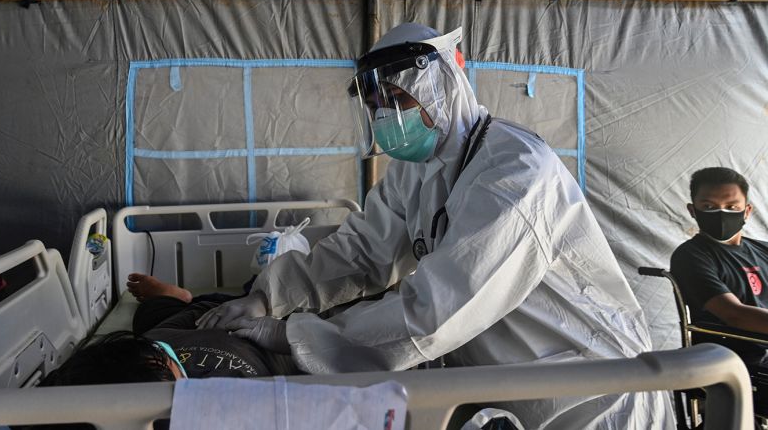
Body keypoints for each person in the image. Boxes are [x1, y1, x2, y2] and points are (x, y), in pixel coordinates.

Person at [198, 23, 672, 428]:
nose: (385, 114)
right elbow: (363, 251)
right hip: (513, 383)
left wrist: (293, 336)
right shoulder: (416, 168)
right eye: (376, 104)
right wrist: (269, 296)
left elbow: (435, 312)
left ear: (442, 84)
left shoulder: (516, 174)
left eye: (397, 97)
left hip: (591, 396)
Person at [42, 274, 299, 385]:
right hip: (232, 337)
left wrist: (262, 299)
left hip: (197, 322)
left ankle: (176, 297)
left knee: (153, 316)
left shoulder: (154, 354)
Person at [670, 167, 767, 361]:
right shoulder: (690, 256)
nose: (721, 214)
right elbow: (734, 314)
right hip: (733, 364)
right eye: (708, 207)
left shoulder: (763, 250)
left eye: (731, 207)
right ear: (692, 210)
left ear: (747, 211)